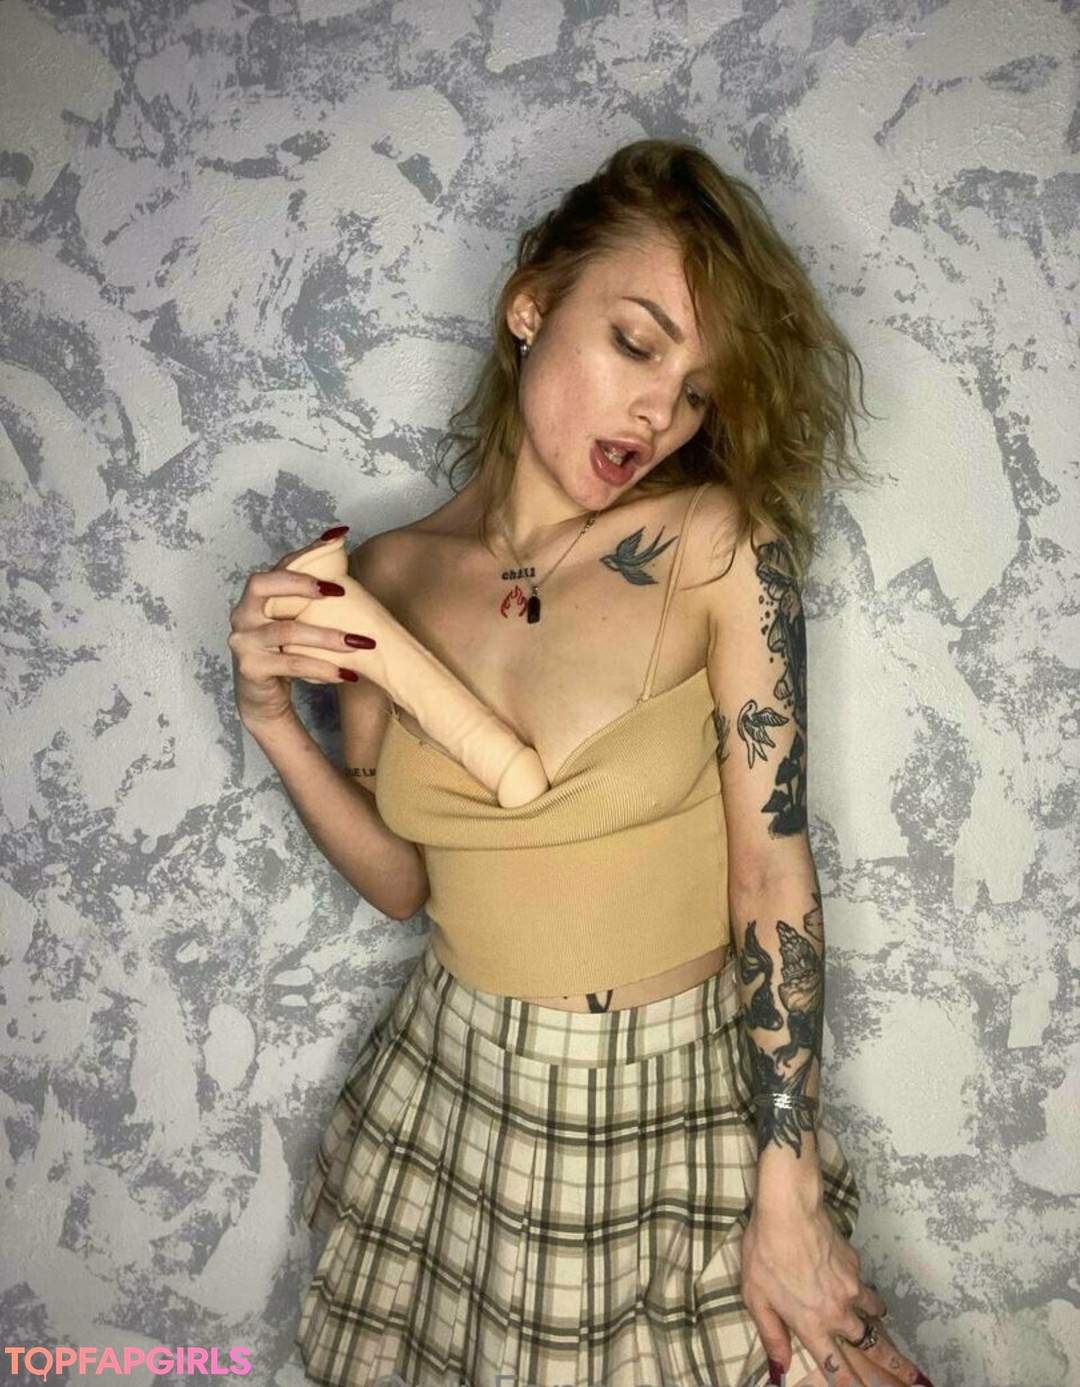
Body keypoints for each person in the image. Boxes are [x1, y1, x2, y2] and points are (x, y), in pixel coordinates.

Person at [228, 141, 936, 1387]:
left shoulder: (718, 547)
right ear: (531, 304)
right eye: (636, 343)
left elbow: (771, 872)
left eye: (699, 390)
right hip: (461, 1089)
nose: (661, 413)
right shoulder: (385, 579)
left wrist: (787, 1189)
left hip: (681, 1098)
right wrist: (275, 719)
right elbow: (403, 883)